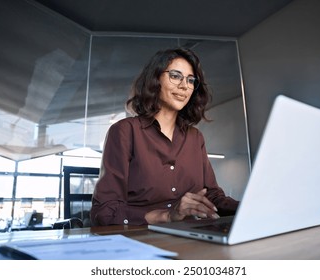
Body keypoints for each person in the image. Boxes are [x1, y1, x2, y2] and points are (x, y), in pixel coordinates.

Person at [90, 47, 239, 226]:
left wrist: (250, 206)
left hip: (190, 236)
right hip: (141, 237)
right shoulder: (124, 131)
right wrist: (165, 216)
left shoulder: (195, 137)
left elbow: (212, 197)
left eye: (191, 80)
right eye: (175, 76)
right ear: (155, 79)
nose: (184, 86)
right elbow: (104, 211)